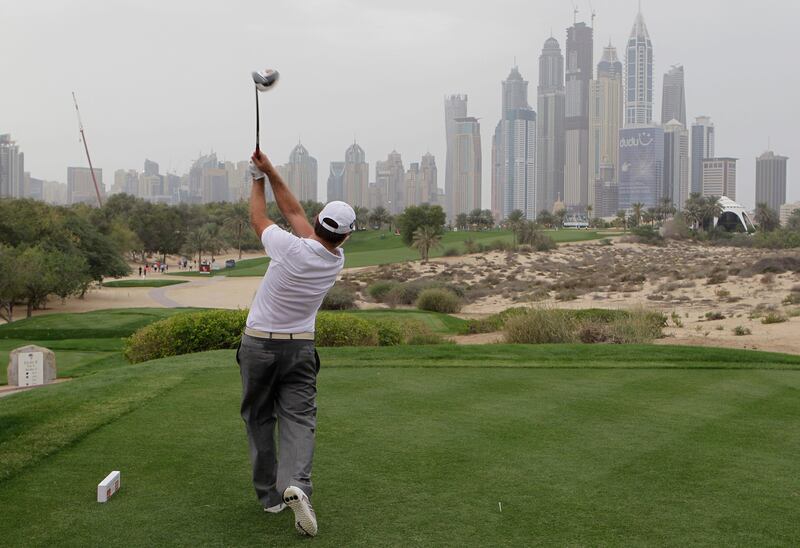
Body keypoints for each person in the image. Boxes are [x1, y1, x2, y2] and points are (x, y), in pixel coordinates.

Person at [237, 149, 355, 538]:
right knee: (300, 420)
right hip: (300, 349)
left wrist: (257, 178)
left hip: (258, 345)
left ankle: (269, 497)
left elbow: (261, 218)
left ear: (319, 222)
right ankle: (298, 487)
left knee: (259, 418)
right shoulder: (334, 260)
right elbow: (294, 215)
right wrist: (269, 170)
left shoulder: (289, 248)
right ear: (345, 235)